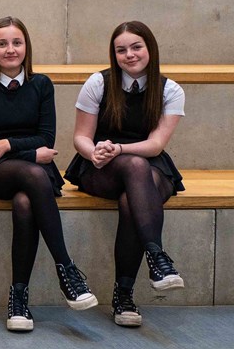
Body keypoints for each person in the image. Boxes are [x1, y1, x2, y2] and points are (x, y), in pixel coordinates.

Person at [0, 16, 97, 333]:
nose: (10, 49)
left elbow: (46, 139)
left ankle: (18, 298)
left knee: (25, 202)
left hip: (30, 167)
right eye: (2, 43)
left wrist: (7, 144)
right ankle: (67, 268)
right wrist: (24, 152)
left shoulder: (41, 84)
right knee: (33, 176)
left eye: (17, 42)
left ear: (26, 46)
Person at [67, 21, 185, 328]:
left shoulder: (170, 90)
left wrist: (120, 148)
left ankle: (123, 296)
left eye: (136, 47)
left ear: (150, 49)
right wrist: (93, 151)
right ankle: (157, 258)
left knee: (131, 195)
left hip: (148, 161)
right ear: (114, 54)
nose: (129, 55)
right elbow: (81, 136)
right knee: (134, 169)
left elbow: (157, 143)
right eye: (121, 50)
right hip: (100, 167)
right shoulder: (99, 83)